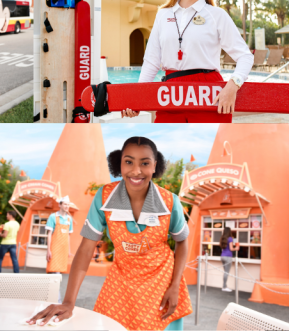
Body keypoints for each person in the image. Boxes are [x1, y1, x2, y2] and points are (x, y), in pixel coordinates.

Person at [28, 137, 192, 330]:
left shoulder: (169, 202)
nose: (136, 170)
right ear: (119, 163)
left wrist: (175, 286)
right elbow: (86, 249)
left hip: (162, 284)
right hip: (121, 280)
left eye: (145, 163)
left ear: (155, 165)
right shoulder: (104, 197)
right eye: (128, 162)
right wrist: (68, 302)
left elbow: (182, 242)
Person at [121, 0, 254, 123]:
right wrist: (137, 99)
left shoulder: (216, 15)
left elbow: (245, 56)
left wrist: (232, 86)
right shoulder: (163, 14)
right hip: (170, 93)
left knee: (208, 147)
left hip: (208, 94)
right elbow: (151, 61)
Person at [45, 196, 74, 274]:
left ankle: (56, 286)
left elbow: (68, 235)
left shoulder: (69, 219)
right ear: (60, 205)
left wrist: (69, 250)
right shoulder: (53, 217)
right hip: (54, 248)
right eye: (65, 204)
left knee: (59, 271)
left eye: (68, 204)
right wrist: (48, 250)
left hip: (64, 248)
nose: (67, 206)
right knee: (52, 269)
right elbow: (49, 234)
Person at [219, 227, 240, 293]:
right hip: (228, 257)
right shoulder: (230, 238)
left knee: (225, 272)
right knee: (226, 272)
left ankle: (224, 286)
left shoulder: (222, 238)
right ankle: (224, 287)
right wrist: (236, 248)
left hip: (222, 256)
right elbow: (231, 248)